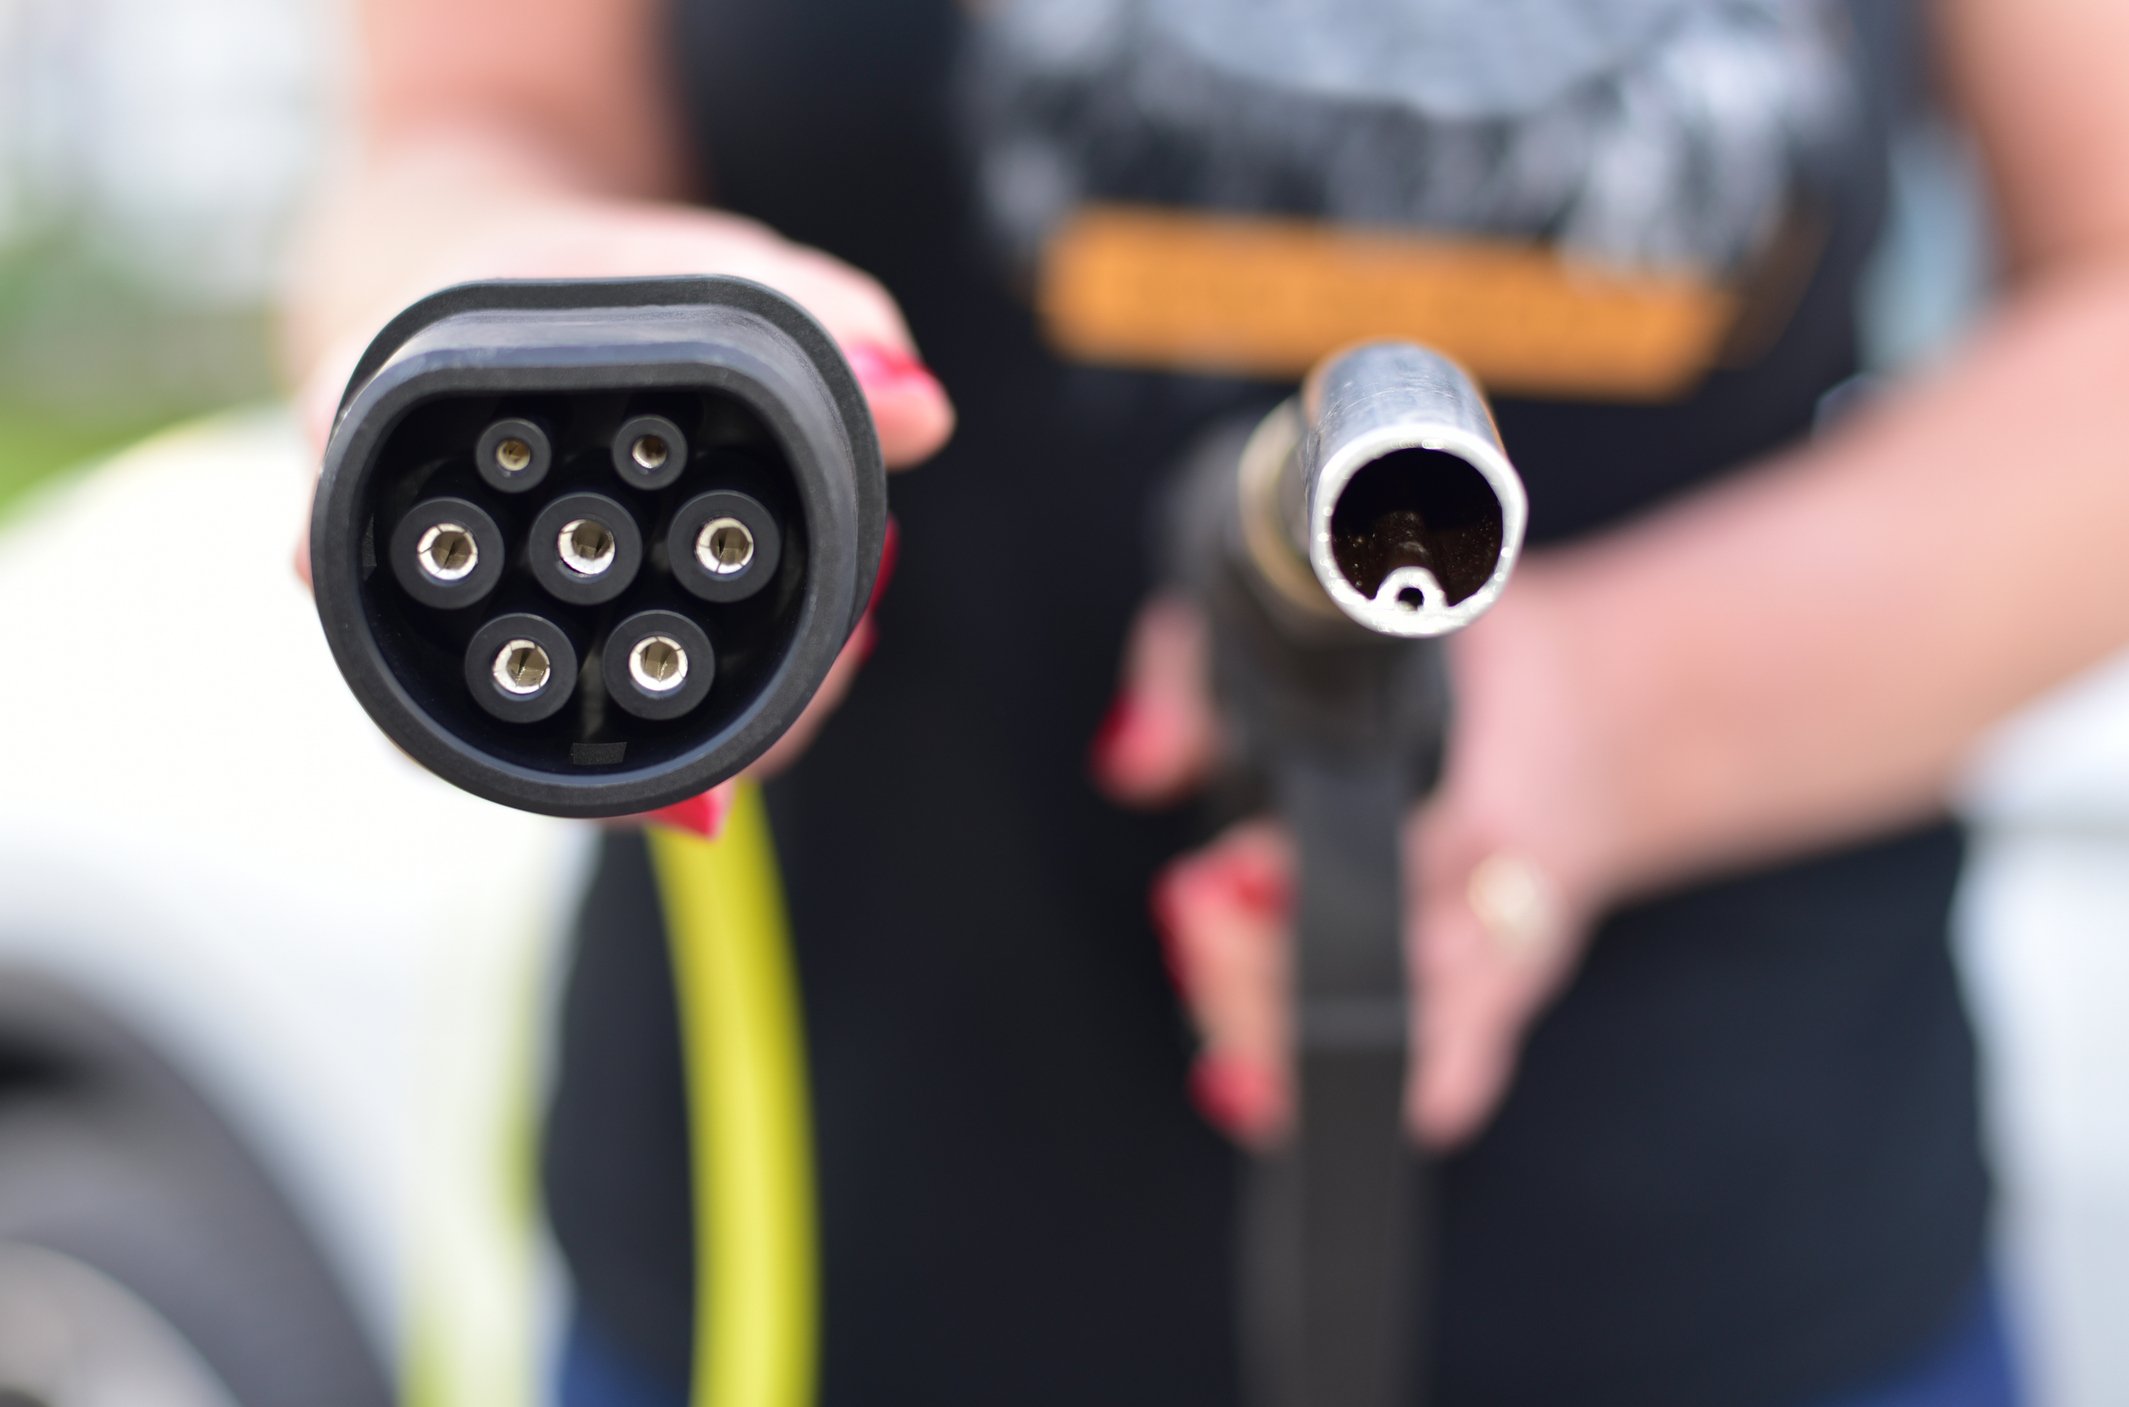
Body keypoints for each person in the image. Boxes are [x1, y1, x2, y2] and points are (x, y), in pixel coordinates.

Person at [286, 1, 2129, 1403]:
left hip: (1750, 1279)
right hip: (817, 1263)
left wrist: (1604, 713)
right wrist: (548, 343)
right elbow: (462, 132)